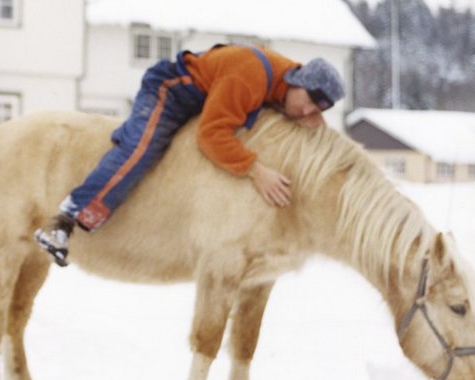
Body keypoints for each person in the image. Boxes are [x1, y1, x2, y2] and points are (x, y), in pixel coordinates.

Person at [34, 44, 345, 266]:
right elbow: (210, 135)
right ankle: (66, 220)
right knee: (140, 149)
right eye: (308, 102)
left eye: (318, 109)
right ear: (297, 81)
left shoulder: (284, 83)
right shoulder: (249, 78)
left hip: (201, 99)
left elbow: (292, 110)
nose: (308, 111)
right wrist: (255, 170)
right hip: (170, 91)